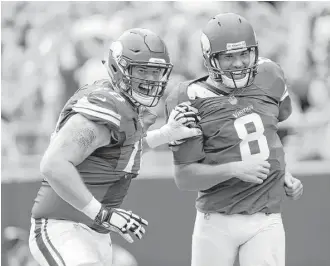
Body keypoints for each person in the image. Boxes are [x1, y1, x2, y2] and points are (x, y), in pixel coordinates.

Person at [28, 28, 202, 266]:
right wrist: (101, 213)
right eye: (142, 70)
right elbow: (53, 164)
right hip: (63, 227)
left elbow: (122, 153)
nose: (150, 79)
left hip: (95, 233)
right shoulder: (105, 106)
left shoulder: (125, 108)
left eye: (156, 72)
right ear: (118, 68)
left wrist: (165, 134)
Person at [165, 13, 303, 266]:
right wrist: (235, 169)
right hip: (216, 219)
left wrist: (283, 171)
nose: (238, 63)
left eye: (244, 54)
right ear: (210, 58)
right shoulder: (188, 97)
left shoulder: (270, 74)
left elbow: (269, 130)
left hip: (265, 216)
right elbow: (184, 177)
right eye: (228, 56)